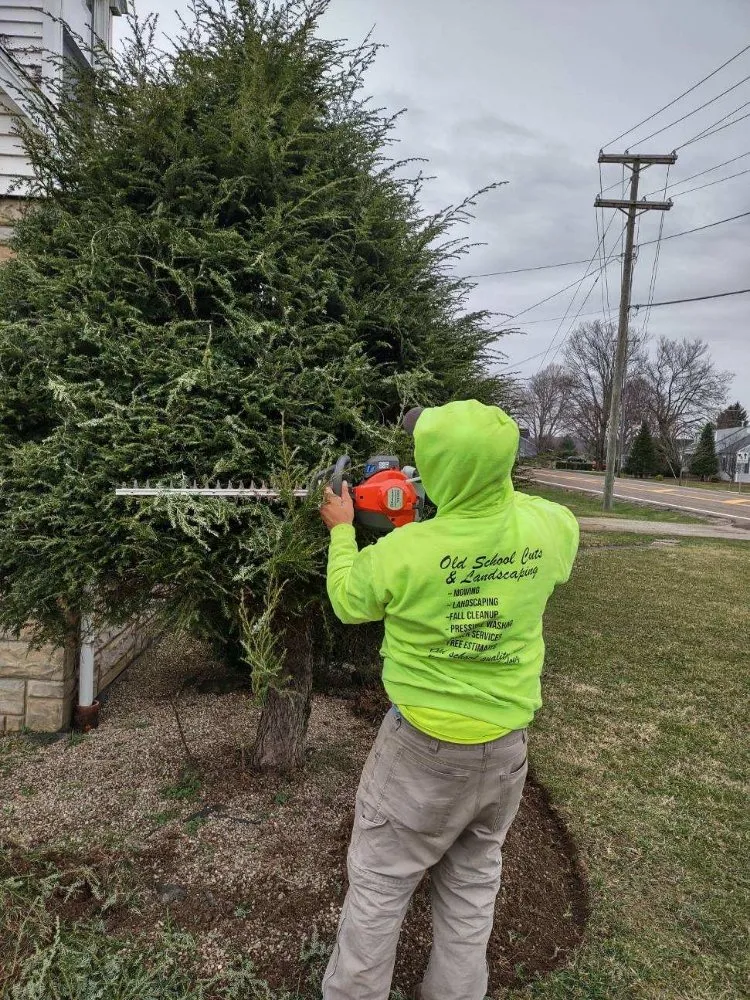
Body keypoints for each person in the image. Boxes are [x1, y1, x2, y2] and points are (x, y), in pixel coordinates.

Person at [319, 399, 579, 1000]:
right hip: (506, 752)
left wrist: (341, 531)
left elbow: (349, 601)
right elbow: (522, 514)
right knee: (470, 886)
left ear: (434, 474)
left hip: (422, 753)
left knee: (381, 887)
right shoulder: (551, 528)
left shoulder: (403, 553)